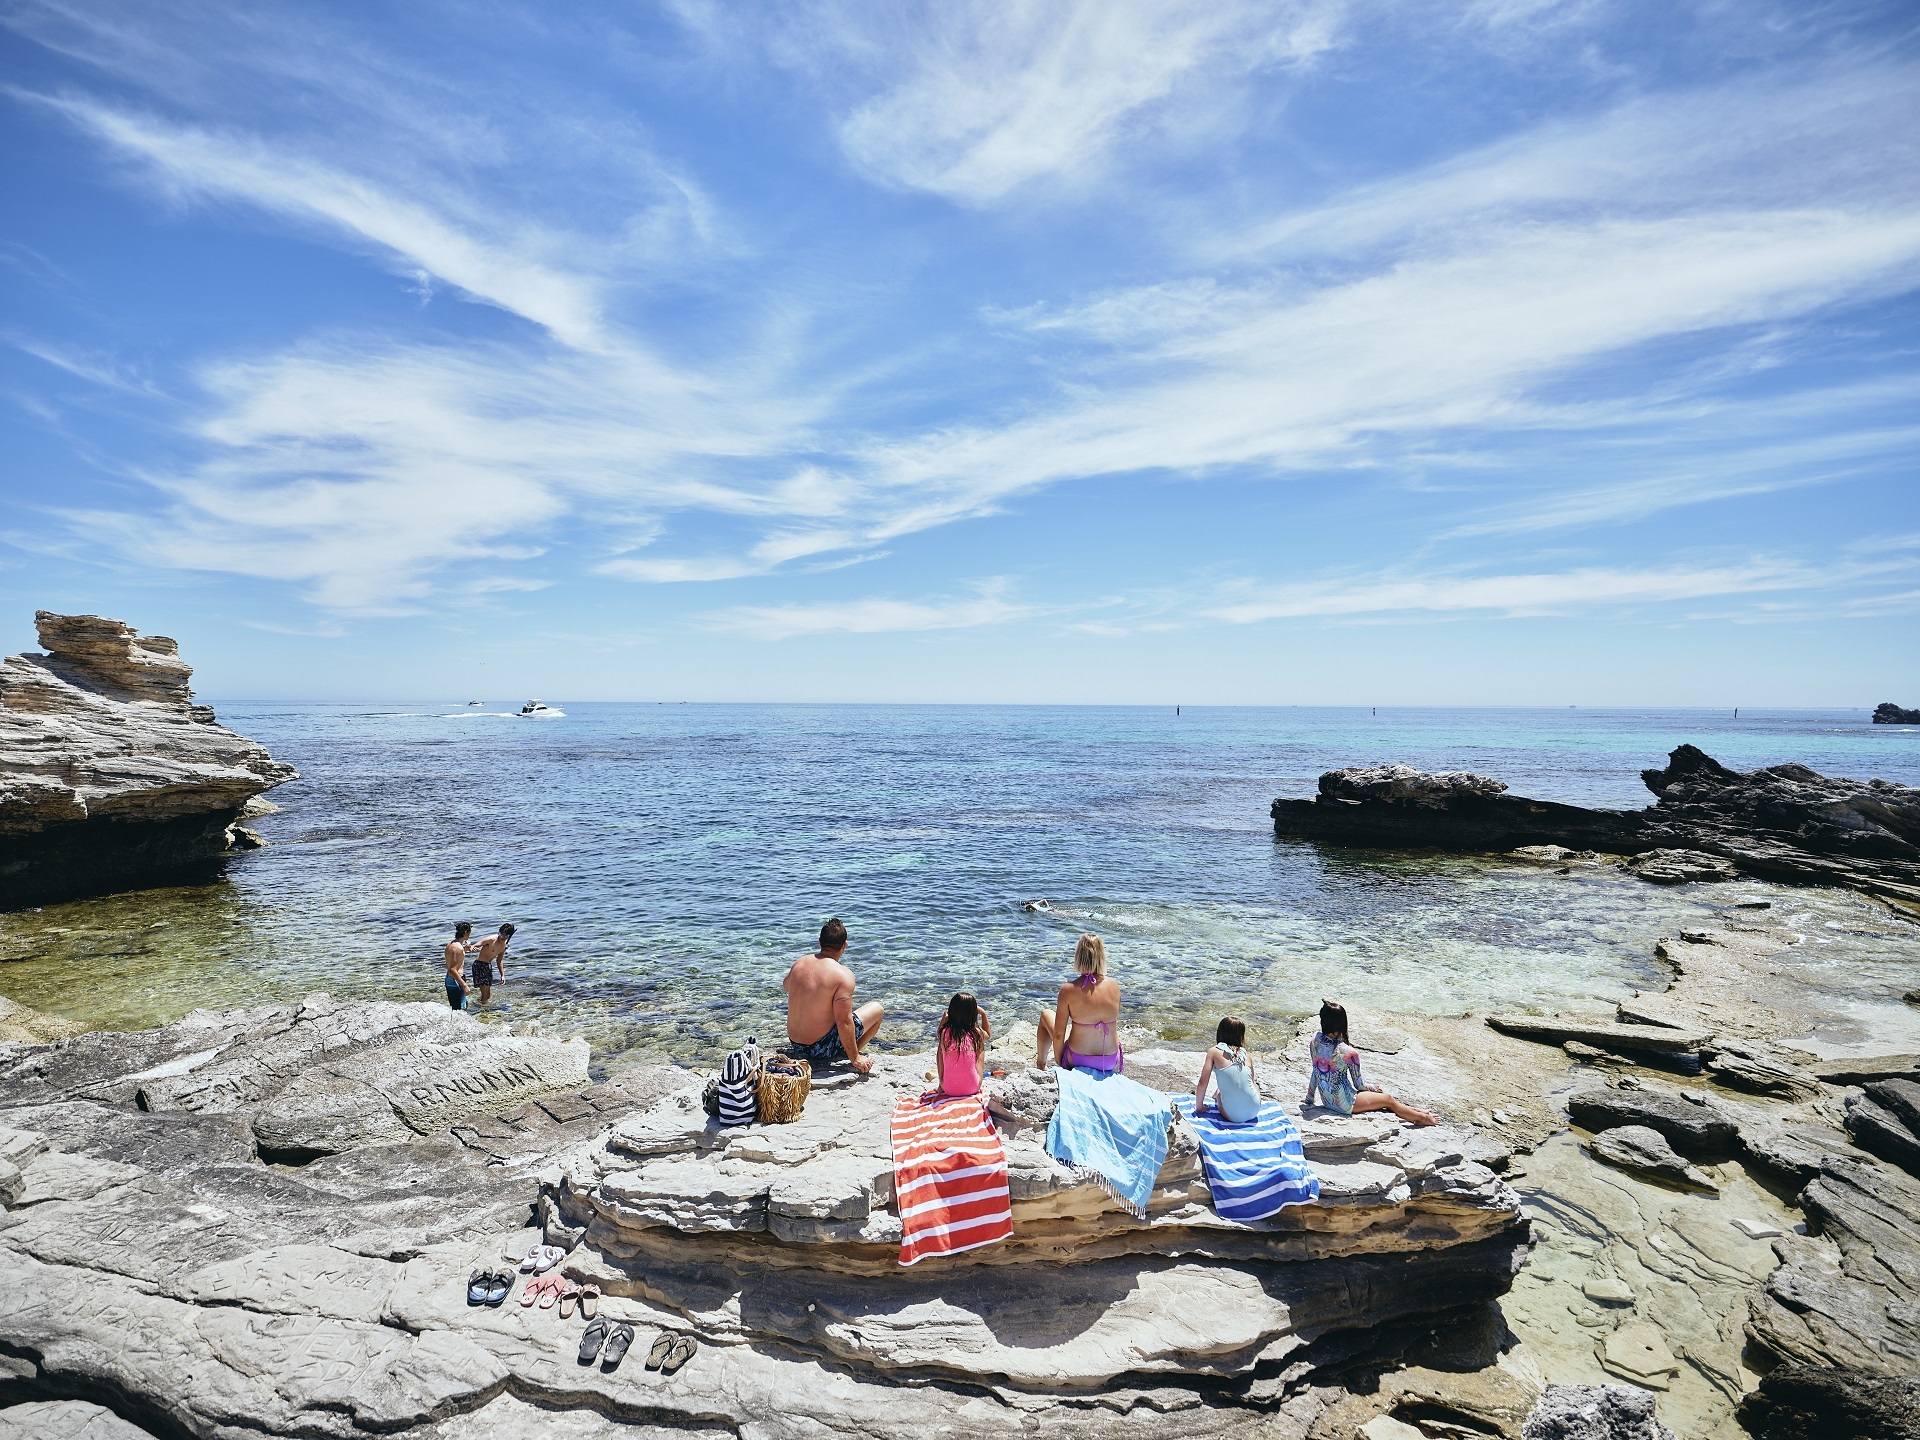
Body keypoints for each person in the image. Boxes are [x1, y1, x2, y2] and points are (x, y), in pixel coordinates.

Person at [1305, 1000, 1437, 1126]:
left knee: (1382, 1099)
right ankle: (1422, 1118)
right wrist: (1373, 1087)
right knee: (1388, 1099)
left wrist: (1309, 1098)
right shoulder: (1349, 1052)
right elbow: (1359, 1086)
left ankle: (1415, 1111)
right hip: (1345, 1104)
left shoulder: (1314, 1040)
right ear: (1342, 1024)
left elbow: (1316, 1071)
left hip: (1327, 1100)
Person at [783, 918, 885, 1075]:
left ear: (819, 942)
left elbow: (787, 986)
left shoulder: (800, 963)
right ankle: (850, 1053)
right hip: (820, 1050)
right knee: (877, 1009)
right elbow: (844, 1022)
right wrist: (855, 1059)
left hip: (796, 1043)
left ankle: (844, 1049)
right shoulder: (843, 975)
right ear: (844, 945)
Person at [1035, 934, 1122, 1072]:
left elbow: (1058, 1033)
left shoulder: (1068, 989)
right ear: (1101, 956)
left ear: (1078, 957)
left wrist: (1059, 1059)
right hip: (1110, 1060)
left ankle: (1041, 1064)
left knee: (1045, 1014)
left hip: (1078, 1059)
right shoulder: (1114, 985)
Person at [1194, 1016, 1261, 1122]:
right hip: (1255, 1109)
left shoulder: (1213, 1051)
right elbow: (1247, 1083)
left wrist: (1199, 1107)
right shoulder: (1247, 1056)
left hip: (1233, 1116)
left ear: (1220, 1032)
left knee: (1221, 1093)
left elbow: (1203, 1082)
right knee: (1249, 1084)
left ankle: (1218, 1097)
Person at [935, 992, 991, 1097]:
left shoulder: (945, 1032)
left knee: (941, 1048)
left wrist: (943, 1019)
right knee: (980, 1045)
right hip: (973, 1087)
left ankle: (940, 1084)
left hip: (948, 1089)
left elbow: (939, 1034)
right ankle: (978, 1076)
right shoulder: (976, 1032)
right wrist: (983, 1014)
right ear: (973, 1013)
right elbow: (988, 1034)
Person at [471, 923, 514, 1005]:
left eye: (505, 935)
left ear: (509, 936)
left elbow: (499, 960)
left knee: (488, 995)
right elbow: (476, 945)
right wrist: (473, 948)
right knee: (486, 994)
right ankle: (483, 1011)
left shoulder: (504, 946)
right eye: (500, 933)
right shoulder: (491, 939)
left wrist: (502, 975)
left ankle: (478, 1005)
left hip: (488, 967)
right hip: (479, 965)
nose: (501, 937)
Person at [444, 922, 474, 1010]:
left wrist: (465, 949)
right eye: (469, 932)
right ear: (465, 933)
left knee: (458, 1007)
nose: (470, 934)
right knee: (460, 1009)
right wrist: (464, 985)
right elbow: (452, 970)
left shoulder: (451, 944)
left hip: (450, 979)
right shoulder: (458, 948)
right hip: (456, 979)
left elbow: (455, 956)